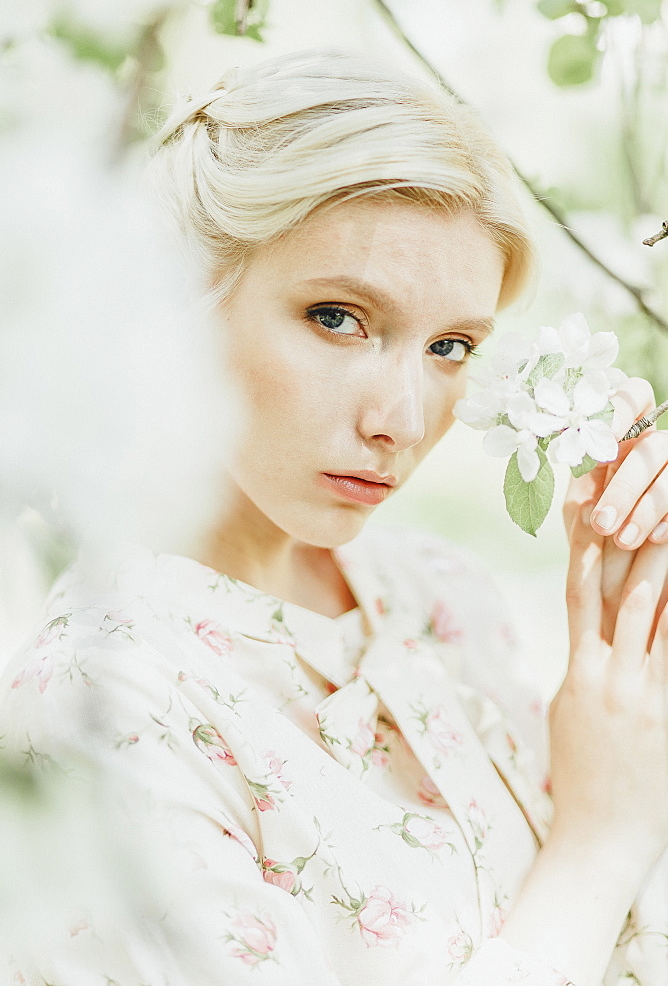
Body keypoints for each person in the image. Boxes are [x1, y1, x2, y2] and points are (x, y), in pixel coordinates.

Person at [1, 49, 667, 986]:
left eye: (449, 346)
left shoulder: (438, 596)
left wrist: (636, 611)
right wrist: (601, 843)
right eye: (338, 318)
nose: (399, 420)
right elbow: (602, 851)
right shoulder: (97, 710)